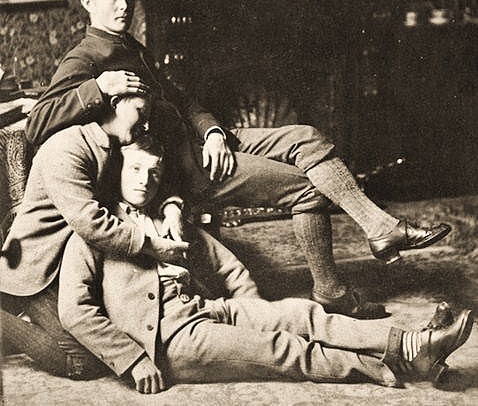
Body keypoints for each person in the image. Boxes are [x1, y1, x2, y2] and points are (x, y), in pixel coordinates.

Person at [24, 0, 452, 319]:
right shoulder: (86, 57)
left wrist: (212, 131)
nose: (124, 5)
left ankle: (380, 228)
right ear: (88, 3)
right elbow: (37, 124)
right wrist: (99, 88)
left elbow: (181, 100)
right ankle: (332, 293)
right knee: (307, 189)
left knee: (306, 136)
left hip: (205, 144)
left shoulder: (131, 45)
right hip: (186, 169)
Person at [57, 135, 474, 394]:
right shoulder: (96, 232)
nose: (143, 180)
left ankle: (411, 342)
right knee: (284, 349)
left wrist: (255, 314)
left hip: (208, 311)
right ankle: (402, 358)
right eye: (134, 169)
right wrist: (132, 360)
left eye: (154, 172)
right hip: (168, 340)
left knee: (301, 314)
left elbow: (229, 268)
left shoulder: (170, 219)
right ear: (117, 170)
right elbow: (75, 311)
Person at [0, 91, 189, 379]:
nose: (147, 124)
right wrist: (150, 245)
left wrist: (172, 206)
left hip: (69, 265)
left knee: (108, 344)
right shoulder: (66, 147)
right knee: (84, 363)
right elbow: (90, 222)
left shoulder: (114, 146)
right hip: (36, 272)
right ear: (114, 105)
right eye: (140, 112)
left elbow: (149, 181)